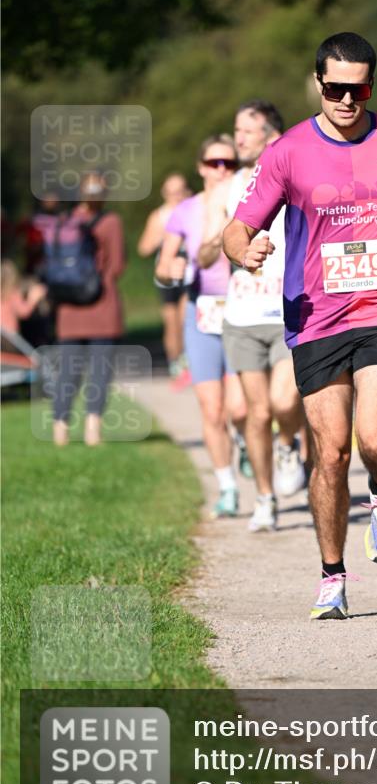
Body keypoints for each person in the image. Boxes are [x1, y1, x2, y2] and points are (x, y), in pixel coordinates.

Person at [222, 32, 377, 619]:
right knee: (331, 453)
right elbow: (239, 224)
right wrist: (242, 251)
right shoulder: (289, 150)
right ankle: (332, 577)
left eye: (360, 89)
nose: (348, 100)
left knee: (376, 441)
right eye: (336, 89)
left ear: (371, 85)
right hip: (316, 315)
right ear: (318, 83)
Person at [199, 102, 306, 533]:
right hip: (241, 314)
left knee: (283, 402)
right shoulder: (227, 189)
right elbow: (206, 254)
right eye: (236, 130)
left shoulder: (296, 176)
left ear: (271, 136)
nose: (238, 138)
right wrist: (224, 239)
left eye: (246, 131)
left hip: (286, 309)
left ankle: (287, 446)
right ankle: (265, 497)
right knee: (255, 413)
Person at [156, 135, 244, 517]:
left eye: (228, 163)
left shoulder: (249, 204)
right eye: (213, 163)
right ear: (201, 168)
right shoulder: (186, 211)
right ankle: (226, 487)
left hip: (244, 312)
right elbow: (162, 265)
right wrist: (170, 270)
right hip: (201, 312)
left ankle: (248, 439)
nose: (220, 170)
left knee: (241, 409)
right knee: (211, 409)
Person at [49, 173, 126, 447]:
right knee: (99, 371)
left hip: (68, 307)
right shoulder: (111, 221)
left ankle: (60, 429)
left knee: (68, 370)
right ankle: (93, 430)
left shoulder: (63, 222)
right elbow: (117, 265)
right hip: (102, 304)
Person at [137, 173, 191, 386]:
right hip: (166, 273)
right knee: (171, 323)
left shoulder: (194, 209)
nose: (176, 196)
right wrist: (163, 236)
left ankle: (189, 361)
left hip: (189, 271)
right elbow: (143, 248)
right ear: (164, 194)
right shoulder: (158, 216)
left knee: (186, 318)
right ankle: (175, 363)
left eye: (179, 191)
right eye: (171, 192)